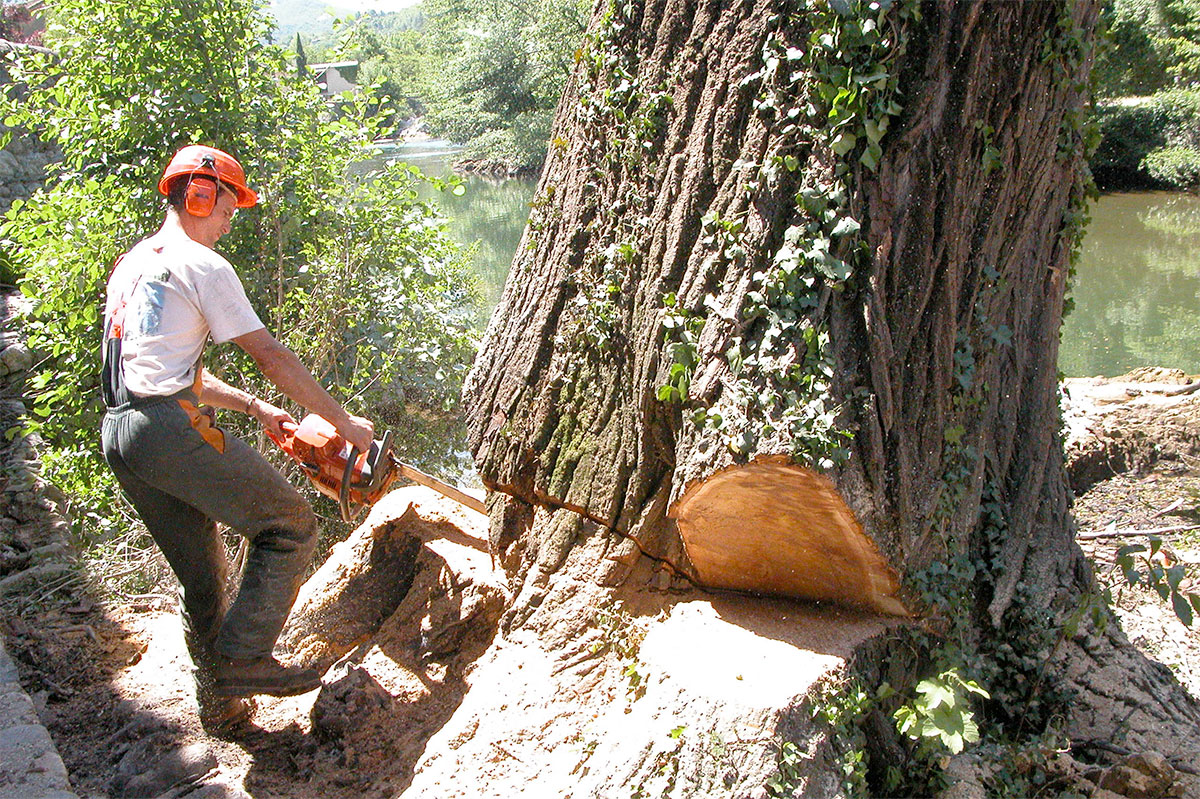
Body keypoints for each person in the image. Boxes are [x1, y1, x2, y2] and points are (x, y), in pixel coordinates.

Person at [100, 144, 374, 734]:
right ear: (199, 195)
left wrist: (251, 405)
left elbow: (169, 369)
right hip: (168, 430)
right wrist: (345, 422)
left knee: (203, 577)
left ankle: (219, 708)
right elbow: (271, 355)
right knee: (289, 526)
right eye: (227, 206)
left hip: (122, 433)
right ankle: (245, 659)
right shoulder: (201, 264)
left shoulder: (135, 263)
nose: (229, 220)